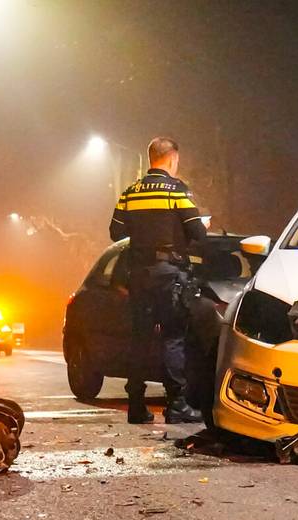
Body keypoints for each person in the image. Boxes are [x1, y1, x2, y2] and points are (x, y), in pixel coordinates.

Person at [108, 136, 207, 424]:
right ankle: (177, 405)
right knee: (173, 338)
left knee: (139, 339)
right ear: (172, 158)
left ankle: (136, 406)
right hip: (168, 274)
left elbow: (115, 233)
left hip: (138, 274)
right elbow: (198, 234)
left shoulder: (131, 192)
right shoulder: (176, 191)